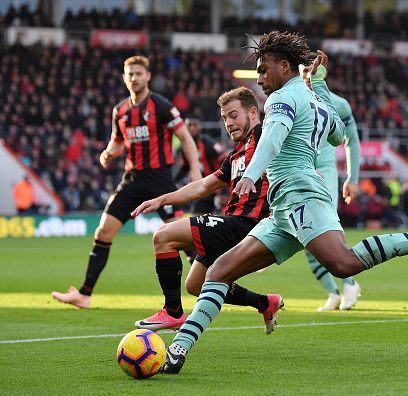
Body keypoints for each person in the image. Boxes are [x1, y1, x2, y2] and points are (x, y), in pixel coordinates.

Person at [162, 31, 408, 374]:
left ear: (283, 66)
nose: (259, 77)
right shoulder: (312, 97)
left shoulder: (279, 100)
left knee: (344, 264)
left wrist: (250, 173)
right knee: (219, 271)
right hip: (282, 206)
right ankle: (179, 349)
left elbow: (271, 141)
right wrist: (318, 85)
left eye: (263, 68)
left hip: (301, 194)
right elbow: (336, 134)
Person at [51, 55, 201, 309]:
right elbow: (118, 142)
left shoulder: (162, 106)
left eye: (139, 73)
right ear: (124, 78)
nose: (134, 78)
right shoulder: (119, 111)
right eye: (130, 74)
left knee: (182, 237)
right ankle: (84, 294)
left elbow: (185, 137)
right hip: (132, 180)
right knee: (103, 231)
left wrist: (195, 170)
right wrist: (108, 153)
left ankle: (215, 282)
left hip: (160, 180)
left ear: (148, 76)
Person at [131, 86, 283, 333]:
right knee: (196, 284)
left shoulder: (266, 137)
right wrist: (162, 200)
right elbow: (203, 186)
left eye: (234, 115)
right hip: (232, 223)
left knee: (163, 236)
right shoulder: (235, 155)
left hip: (249, 225)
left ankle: (172, 312)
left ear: (253, 112)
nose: (228, 123)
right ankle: (265, 303)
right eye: (224, 118)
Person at [299, 58, 362, 311]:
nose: (307, 75)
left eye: (311, 70)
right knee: (304, 236)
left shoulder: (338, 104)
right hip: (299, 172)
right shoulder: (292, 101)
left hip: (324, 172)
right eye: (304, 70)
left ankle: (349, 283)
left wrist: (352, 178)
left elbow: (352, 141)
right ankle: (333, 292)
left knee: (323, 233)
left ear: (321, 72)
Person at [175, 116, 225, 215]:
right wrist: (174, 181)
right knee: (196, 216)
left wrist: (224, 190)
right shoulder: (183, 148)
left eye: (195, 125)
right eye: (189, 125)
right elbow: (186, 166)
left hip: (217, 186)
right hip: (202, 188)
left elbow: (225, 159)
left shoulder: (209, 144)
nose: (192, 128)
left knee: (224, 217)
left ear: (200, 127)